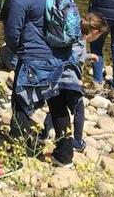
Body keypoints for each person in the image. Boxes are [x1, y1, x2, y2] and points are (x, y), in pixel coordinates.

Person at [2, 0, 84, 170]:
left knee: (21, 106)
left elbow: (12, 32)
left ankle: (14, 158)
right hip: (63, 57)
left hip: (34, 59)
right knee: (57, 103)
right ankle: (64, 155)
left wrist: (18, 50)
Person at [40, 12, 108, 154]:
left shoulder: (72, 36)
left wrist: (88, 56)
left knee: (57, 107)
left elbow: (72, 54)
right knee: (78, 110)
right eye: (99, 36)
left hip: (56, 79)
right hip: (69, 82)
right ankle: (77, 141)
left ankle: (44, 134)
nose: (98, 38)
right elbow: (72, 58)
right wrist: (76, 78)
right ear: (95, 32)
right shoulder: (81, 42)